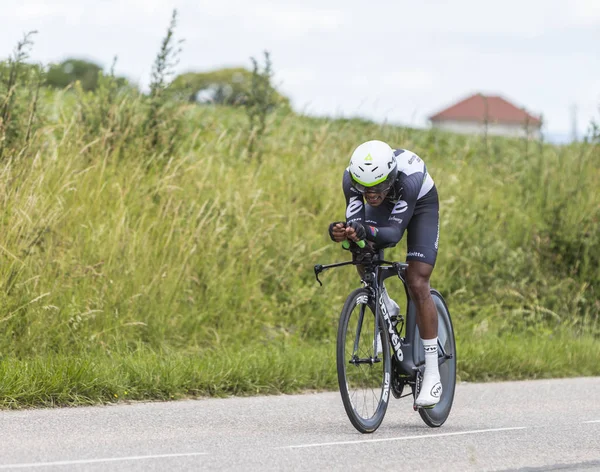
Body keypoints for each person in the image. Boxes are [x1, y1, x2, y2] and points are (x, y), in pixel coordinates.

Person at [328, 139, 441, 408]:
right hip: (386, 209)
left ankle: (433, 374)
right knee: (361, 248)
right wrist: (342, 232)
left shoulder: (408, 180)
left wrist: (367, 231)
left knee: (417, 280)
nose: (370, 193)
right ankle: (385, 304)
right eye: (364, 188)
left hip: (420, 204)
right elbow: (356, 224)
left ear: (390, 177)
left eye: (377, 186)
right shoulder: (351, 180)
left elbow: (392, 235)